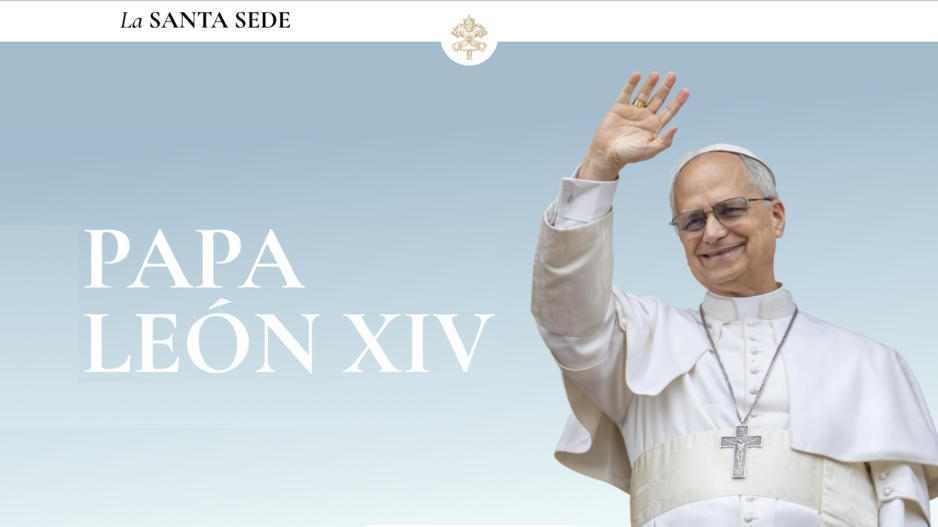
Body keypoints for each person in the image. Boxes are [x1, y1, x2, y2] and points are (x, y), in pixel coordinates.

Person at [530, 71, 938, 527]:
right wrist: (598, 167)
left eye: (730, 210)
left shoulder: (870, 363)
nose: (712, 232)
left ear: (776, 217)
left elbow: (902, 508)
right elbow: (566, 310)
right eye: (692, 221)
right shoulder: (639, 338)